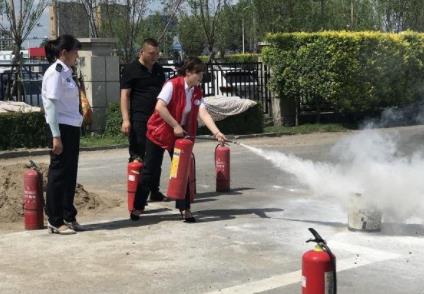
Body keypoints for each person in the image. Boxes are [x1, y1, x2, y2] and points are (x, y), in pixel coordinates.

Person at [130, 57, 227, 223]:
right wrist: (175, 125)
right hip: (159, 132)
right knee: (149, 170)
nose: (201, 77)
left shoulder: (196, 90)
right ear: (188, 72)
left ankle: (185, 208)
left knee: (183, 170)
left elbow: (202, 112)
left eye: (202, 73)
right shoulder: (172, 85)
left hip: (180, 135)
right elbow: (159, 107)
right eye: (198, 73)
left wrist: (217, 132)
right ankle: (138, 206)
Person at [42, 35, 83, 235]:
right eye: (75, 51)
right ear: (64, 53)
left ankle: (68, 214)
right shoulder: (55, 72)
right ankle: (55, 219)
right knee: (58, 175)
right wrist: (56, 136)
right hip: (61, 129)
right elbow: (50, 105)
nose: (77, 55)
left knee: (69, 174)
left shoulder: (67, 72)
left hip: (72, 127)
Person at [120, 38, 167, 202]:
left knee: (156, 156)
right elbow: (125, 95)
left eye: (157, 54)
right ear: (142, 52)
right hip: (139, 119)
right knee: (138, 156)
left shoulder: (159, 70)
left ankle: (154, 190)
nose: (155, 57)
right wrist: (126, 119)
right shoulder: (130, 69)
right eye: (152, 54)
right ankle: (137, 194)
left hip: (157, 119)